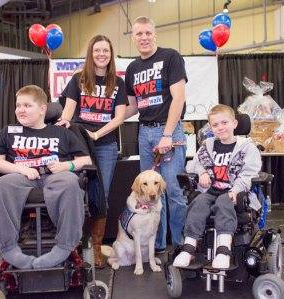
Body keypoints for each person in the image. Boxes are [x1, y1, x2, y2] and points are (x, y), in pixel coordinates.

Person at [0, 85, 92, 269]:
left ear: (43, 109)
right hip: (21, 177)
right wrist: (20, 169)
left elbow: (85, 159)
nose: (20, 110)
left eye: (27, 105)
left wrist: (65, 166)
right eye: (18, 105)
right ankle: (8, 248)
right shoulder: (8, 132)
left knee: (71, 182)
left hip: (53, 175)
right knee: (1, 184)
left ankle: (64, 246)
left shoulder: (62, 132)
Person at [58, 35, 128, 267]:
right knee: (76, 193)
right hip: (79, 145)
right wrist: (64, 127)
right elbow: (68, 112)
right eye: (97, 50)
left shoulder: (118, 83)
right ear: (91, 53)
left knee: (102, 196)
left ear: (111, 54)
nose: (101, 54)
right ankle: (73, 246)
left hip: (106, 145)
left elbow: (119, 117)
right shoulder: (78, 79)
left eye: (105, 51)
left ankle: (96, 247)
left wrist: (97, 134)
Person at [124, 16, 188, 253]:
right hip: (144, 133)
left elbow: (178, 98)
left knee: (172, 190)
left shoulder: (170, 57)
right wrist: (108, 123)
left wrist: (168, 134)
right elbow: (132, 106)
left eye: (147, 33)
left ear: (155, 34)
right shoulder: (132, 68)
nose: (144, 38)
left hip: (168, 130)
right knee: (148, 193)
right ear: (133, 37)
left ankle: (181, 244)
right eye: (139, 34)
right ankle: (157, 246)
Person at [173, 104, 261, 268]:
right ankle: (189, 248)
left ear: (234, 123)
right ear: (211, 127)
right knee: (198, 203)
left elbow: (249, 173)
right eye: (215, 125)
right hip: (212, 190)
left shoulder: (247, 147)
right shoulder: (207, 145)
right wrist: (202, 173)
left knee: (223, 202)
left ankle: (223, 251)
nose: (220, 128)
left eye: (224, 123)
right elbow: (193, 165)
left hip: (234, 192)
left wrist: (236, 189)